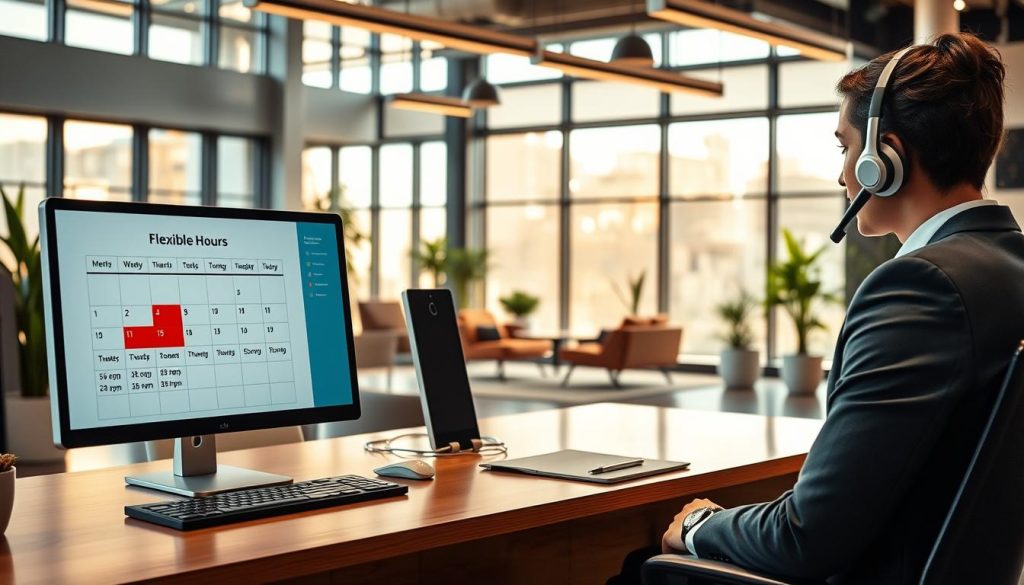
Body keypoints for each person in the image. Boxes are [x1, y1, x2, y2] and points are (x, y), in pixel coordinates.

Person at [614, 32, 1023, 584]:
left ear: (886, 159)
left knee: (641, 568)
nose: (841, 173)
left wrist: (699, 525)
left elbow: (805, 537)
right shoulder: (1008, 268)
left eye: (845, 147)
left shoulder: (918, 287)